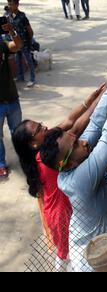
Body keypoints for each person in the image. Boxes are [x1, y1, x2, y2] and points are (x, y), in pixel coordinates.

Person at [39, 58, 107, 272]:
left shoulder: (73, 158)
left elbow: (97, 122)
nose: (84, 141)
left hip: (97, 247)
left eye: (76, 137)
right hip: (91, 264)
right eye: (76, 143)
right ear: (66, 163)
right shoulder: (79, 181)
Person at [12, 83, 107, 271]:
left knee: (69, 250)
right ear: (33, 144)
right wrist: (101, 98)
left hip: (62, 207)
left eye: (40, 124)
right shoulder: (45, 158)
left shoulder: (46, 144)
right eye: (39, 129)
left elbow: (69, 120)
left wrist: (89, 100)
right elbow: (76, 128)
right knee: (69, 254)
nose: (45, 127)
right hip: (60, 214)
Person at [0, 20, 23, 179]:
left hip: (12, 100)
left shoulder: (3, 45)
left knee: (18, 132)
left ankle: (24, 157)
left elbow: (17, 45)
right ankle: (1, 164)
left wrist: (11, 31)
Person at [7, 0, 35, 87]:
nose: (10, 6)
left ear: (17, 5)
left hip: (25, 42)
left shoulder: (22, 16)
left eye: (12, 4)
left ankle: (32, 79)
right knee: (18, 60)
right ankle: (20, 77)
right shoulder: (10, 16)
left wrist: (29, 42)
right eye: (9, 4)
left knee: (28, 61)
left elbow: (30, 31)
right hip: (16, 42)